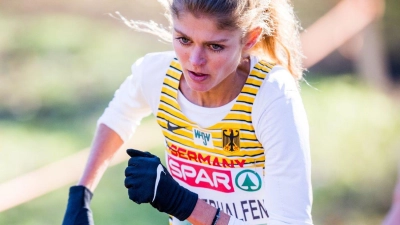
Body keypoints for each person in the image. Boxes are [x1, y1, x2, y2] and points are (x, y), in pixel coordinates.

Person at [62, 0, 313, 224]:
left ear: (249, 40)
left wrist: (183, 203)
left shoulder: (272, 95)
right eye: (184, 40)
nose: (195, 60)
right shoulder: (157, 75)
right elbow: (118, 117)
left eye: (214, 46)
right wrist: (81, 195)